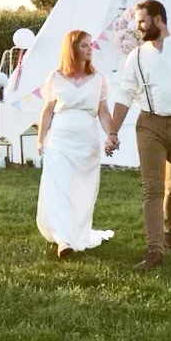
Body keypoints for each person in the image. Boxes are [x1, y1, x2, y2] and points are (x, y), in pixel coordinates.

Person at [105, 0, 171, 271]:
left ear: (158, 19)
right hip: (149, 125)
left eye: (142, 21)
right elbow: (125, 94)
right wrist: (113, 131)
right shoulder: (137, 56)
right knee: (152, 188)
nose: (138, 27)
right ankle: (155, 250)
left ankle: (169, 234)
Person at [36, 30, 115, 258]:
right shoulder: (55, 77)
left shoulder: (98, 79)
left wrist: (111, 134)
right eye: (84, 45)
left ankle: (76, 231)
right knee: (59, 187)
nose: (90, 49)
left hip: (87, 140)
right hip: (60, 140)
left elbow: (103, 111)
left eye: (91, 45)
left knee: (81, 190)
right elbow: (47, 111)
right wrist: (41, 139)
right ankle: (63, 240)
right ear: (72, 49)